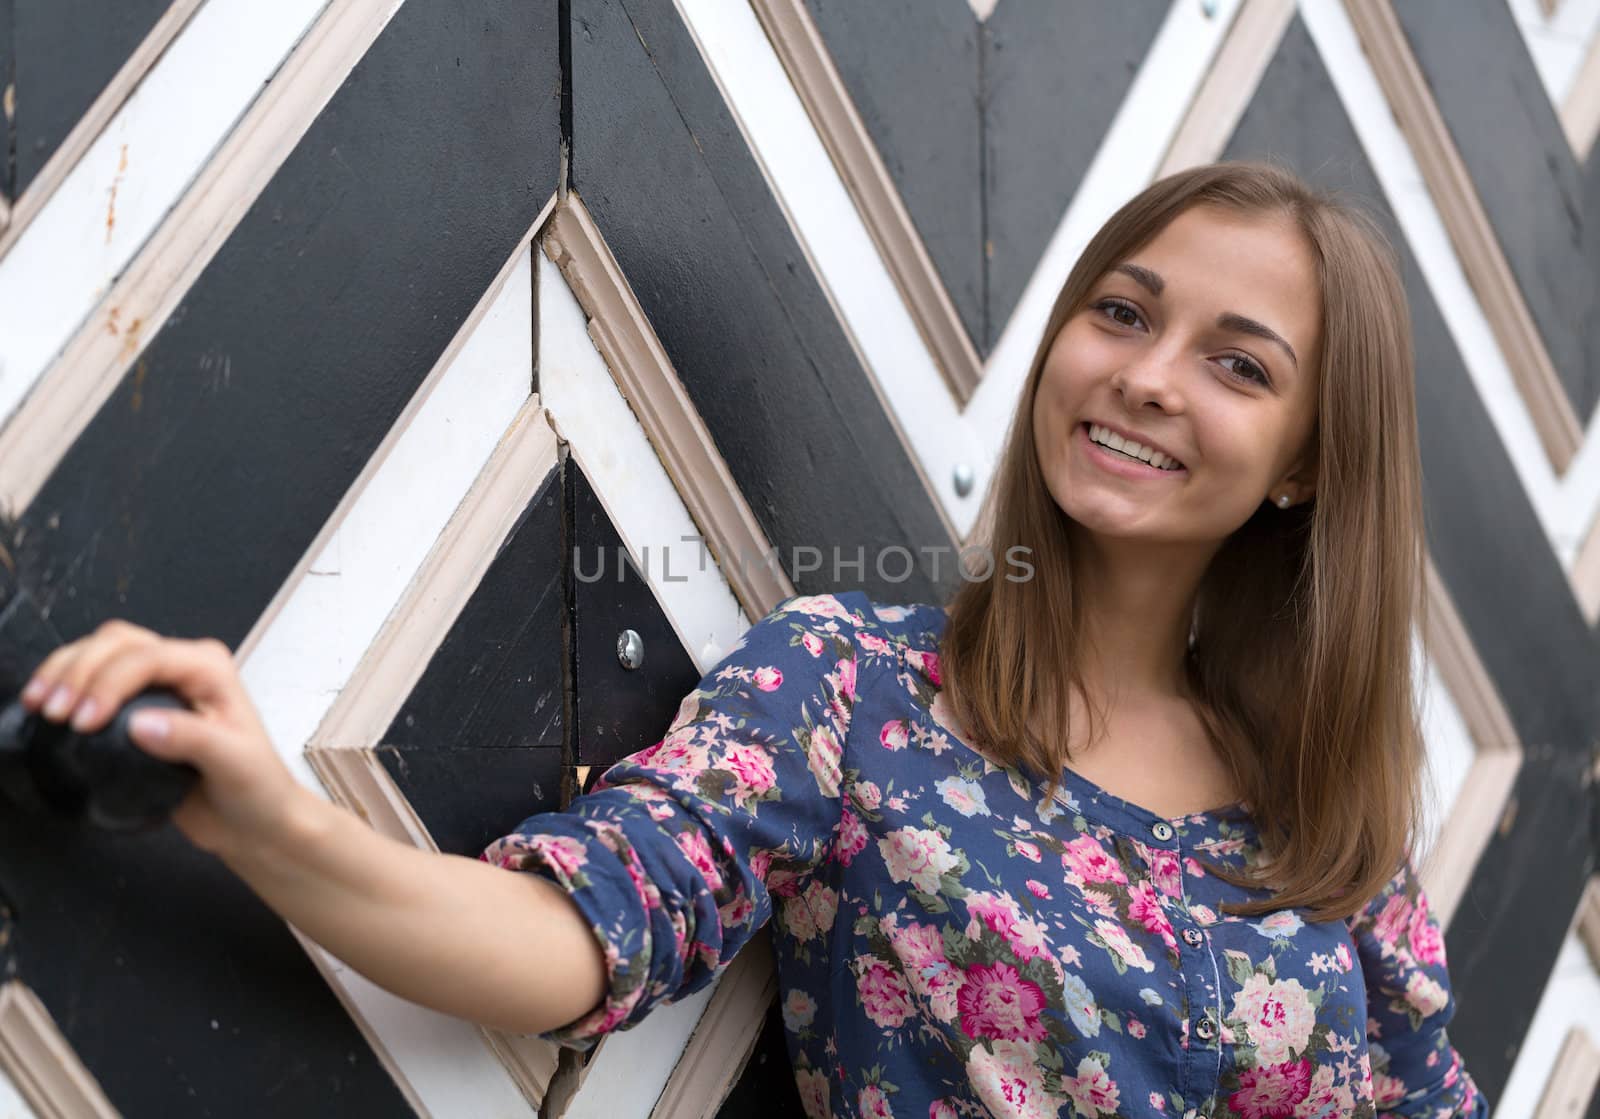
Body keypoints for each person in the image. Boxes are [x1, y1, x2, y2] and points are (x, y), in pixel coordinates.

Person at [18, 160, 1487, 1117]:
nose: (1151, 378)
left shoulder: (1327, 828)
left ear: (1306, 461)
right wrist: (271, 820)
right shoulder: (862, 690)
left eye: (1237, 363)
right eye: (1122, 313)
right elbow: (573, 941)